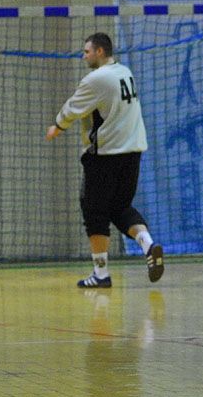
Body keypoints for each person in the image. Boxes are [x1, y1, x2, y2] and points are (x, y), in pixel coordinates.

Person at [46, 32, 164, 288]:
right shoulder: (125, 72)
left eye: (87, 51)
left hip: (105, 155)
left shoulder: (96, 78)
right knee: (120, 208)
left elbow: (73, 107)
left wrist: (57, 126)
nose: (84, 56)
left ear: (99, 52)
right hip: (133, 152)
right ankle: (148, 244)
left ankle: (101, 274)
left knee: (94, 212)